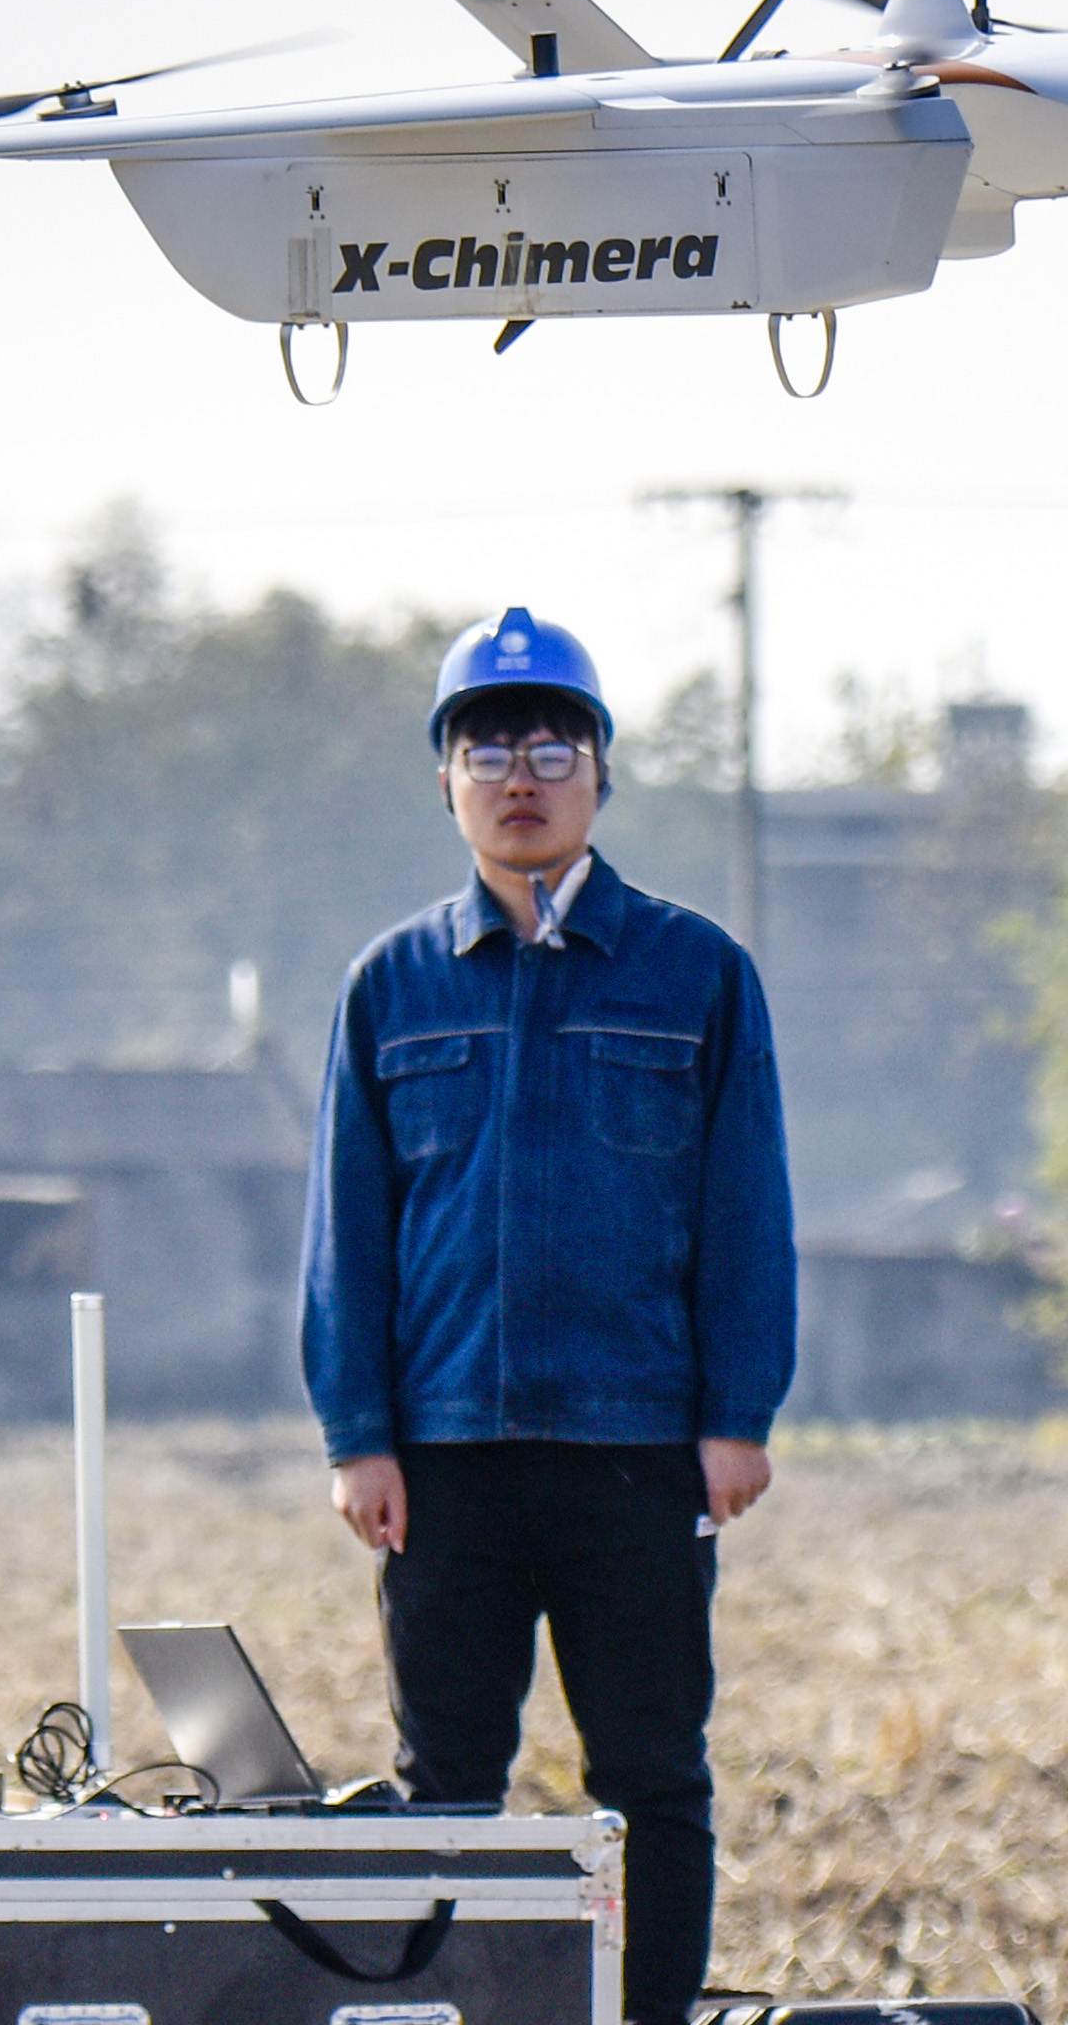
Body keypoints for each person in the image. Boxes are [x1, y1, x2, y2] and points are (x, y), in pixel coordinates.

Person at [300, 605, 794, 2025]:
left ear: (600, 771)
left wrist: (734, 1415)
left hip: (636, 1444)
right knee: (445, 1782)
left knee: (649, 1772)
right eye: (487, 744)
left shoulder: (692, 972)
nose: (521, 772)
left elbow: (744, 1208)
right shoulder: (389, 986)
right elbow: (348, 1229)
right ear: (445, 779)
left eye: (552, 741)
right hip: (444, 1451)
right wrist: (358, 1432)